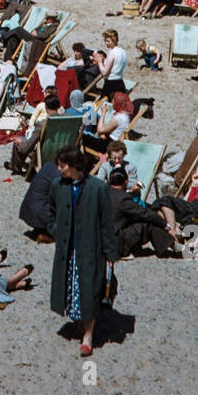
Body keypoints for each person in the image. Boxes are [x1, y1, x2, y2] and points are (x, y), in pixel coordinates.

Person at [48, 150, 118, 356]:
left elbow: (106, 222)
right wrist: (55, 230)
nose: (59, 170)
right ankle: (79, 322)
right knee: (72, 287)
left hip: (90, 248)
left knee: (89, 288)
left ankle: (88, 335)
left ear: (74, 165)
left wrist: (110, 252)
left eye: (63, 166)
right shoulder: (57, 186)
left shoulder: (98, 188)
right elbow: (51, 211)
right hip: (67, 248)